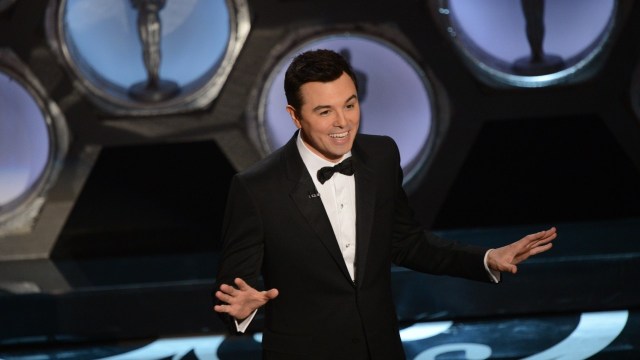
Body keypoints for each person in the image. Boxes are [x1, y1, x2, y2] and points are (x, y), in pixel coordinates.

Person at [213, 49, 556, 359]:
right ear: (295, 116)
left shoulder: (381, 157)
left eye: (350, 104)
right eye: (324, 111)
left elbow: (407, 242)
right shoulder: (257, 188)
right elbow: (232, 294)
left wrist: (485, 259)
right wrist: (241, 311)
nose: (343, 123)